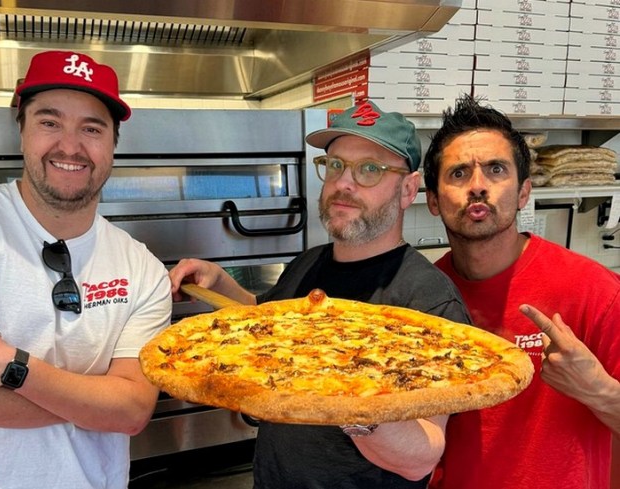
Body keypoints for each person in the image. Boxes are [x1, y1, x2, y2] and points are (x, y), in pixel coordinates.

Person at [169, 100, 471, 488]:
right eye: (336, 165)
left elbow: (421, 458)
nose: (344, 183)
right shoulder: (310, 263)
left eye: (369, 170)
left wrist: (352, 399)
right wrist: (219, 280)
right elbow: (268, 326)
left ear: (407, 189)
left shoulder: (426, 300)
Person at [0, 51, 172, 488]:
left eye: (92, 128)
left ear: (112, 144)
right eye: (50, 122)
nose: (70, 146)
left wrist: (13, 367)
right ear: (22, 132)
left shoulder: (141, 267)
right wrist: (98, 397)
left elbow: (132, 412)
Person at [423, 94, 620, 489]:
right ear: (432, 199)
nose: (478, 186)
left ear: (524, 191)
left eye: (496, 169)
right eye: (459, 173)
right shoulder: (423, 299)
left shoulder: (594, 290)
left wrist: (598, 391)